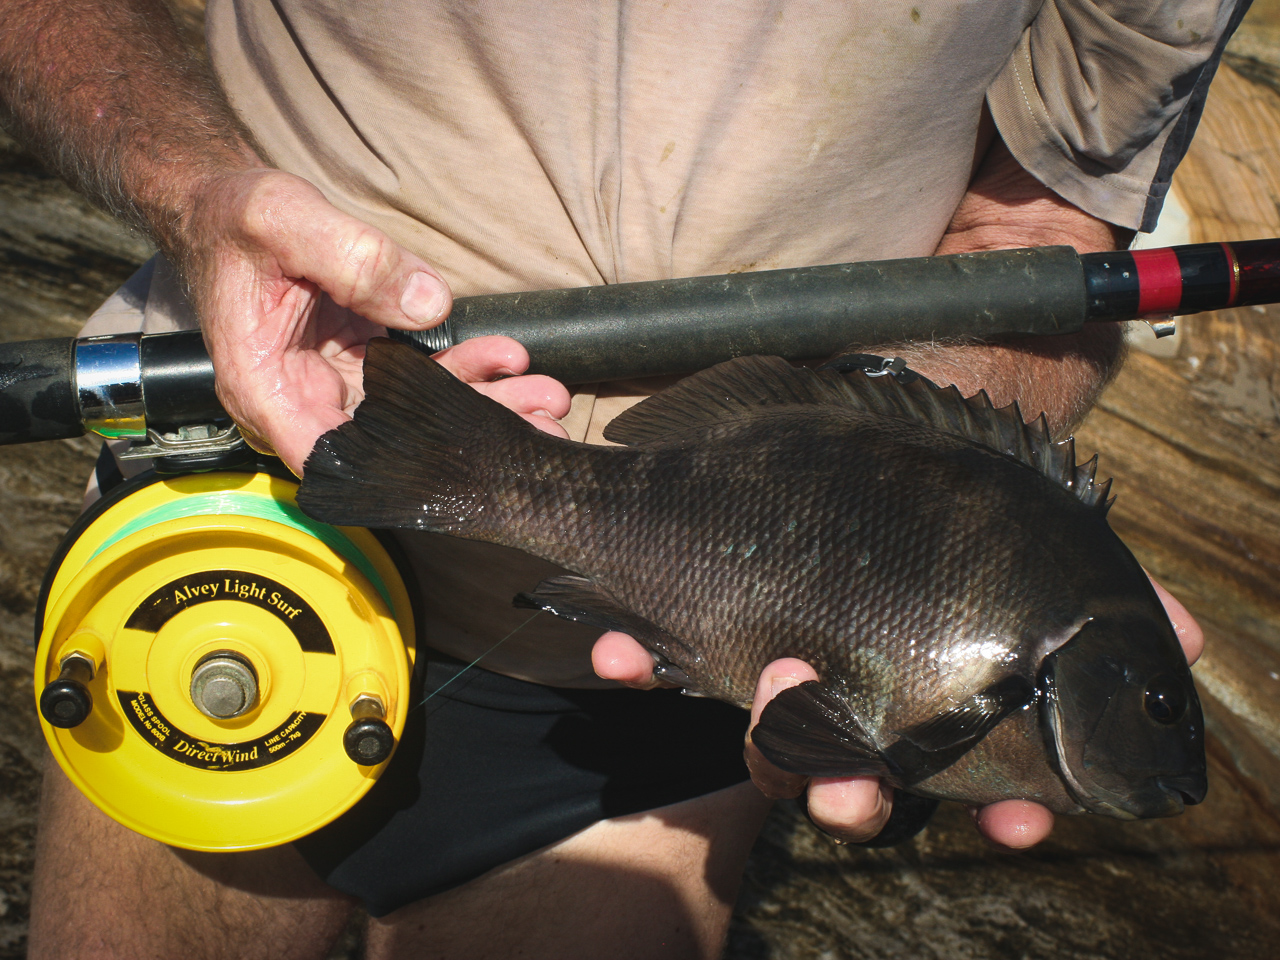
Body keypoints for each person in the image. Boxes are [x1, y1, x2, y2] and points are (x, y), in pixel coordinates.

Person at [0, 0, 1234, 956]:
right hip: (240, 543)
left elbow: (1038, 225)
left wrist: (878, 503)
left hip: (655, 708)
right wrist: (187, 184)